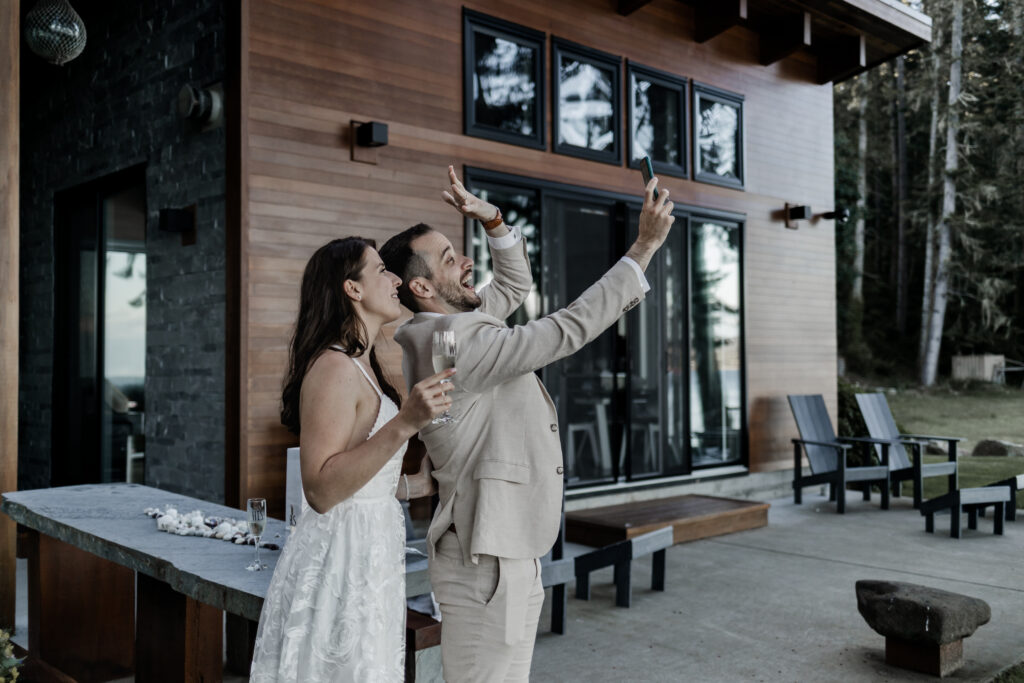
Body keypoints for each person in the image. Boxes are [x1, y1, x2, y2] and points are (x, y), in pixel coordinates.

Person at [379, 166, 675, 681]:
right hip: (488, 563)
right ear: (422, 285)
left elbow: (513, 284)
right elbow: (564, 330)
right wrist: (643, 249)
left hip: (504, 551)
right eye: (451, 259)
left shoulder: (446, 333)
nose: (467, 262)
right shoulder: (453, 344)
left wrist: (492, 219)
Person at [250, 237, 454, 682]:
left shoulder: (362, 363)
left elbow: (358, 473)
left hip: (369, 551)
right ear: (352, 289)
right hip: (341, 558)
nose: (396, 279)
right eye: (382, 270)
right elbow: (322, 490)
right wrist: (405, 422)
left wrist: (412, 486)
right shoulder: (334, 367)